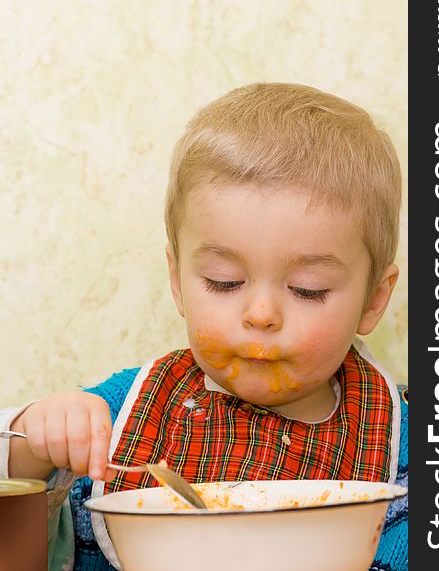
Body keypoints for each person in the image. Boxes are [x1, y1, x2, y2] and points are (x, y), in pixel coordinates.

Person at [0, 82, 408, 571]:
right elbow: (20, 545)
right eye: (224, 281)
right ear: (177, 281)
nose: (260, 314)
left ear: (374, 298)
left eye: (307, 289)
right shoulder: (125, 413)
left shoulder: (411, 443)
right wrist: (31, 449)